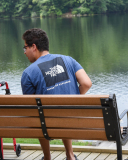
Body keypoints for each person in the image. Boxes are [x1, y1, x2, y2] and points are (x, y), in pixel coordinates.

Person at [21, 28, 92, 160]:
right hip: (72, 121)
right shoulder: (68, 60)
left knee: (39, 116)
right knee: (64, 111)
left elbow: (31, 107)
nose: (25, 52)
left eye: (25, 48)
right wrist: (74, 99)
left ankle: (47, 157)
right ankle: (70, 155)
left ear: (34, 47)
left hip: (46, 124)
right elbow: (87, 83)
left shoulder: (28, 73)